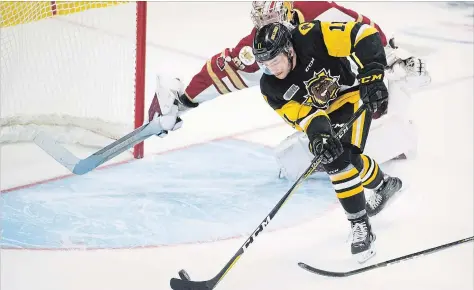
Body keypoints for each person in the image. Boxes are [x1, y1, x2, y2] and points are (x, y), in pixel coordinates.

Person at [147, 2, 430, 180]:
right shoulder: (260, 47)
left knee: (393, 98)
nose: (266, 29)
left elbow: (364, 32)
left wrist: (392, 57)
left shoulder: (318, 14)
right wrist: (184, 101)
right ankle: (378, 152)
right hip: (325, 112)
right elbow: (223, 70)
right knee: (296, 163)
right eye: (261, 24)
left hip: (358, 92)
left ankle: (399, 137)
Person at [249, 21, 402, 263]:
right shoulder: (271, 88)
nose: (271, 69)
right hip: (324, 113)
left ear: (289, 50)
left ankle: (361, 226)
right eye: (265, 65)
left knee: (338, 161)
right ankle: (384, 184)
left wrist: (372, 76)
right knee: (345, 157)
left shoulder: (312, 36)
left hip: (352, 94)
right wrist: (319, 136)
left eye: (275, 61)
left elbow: (363, 34)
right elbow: (306, 116)